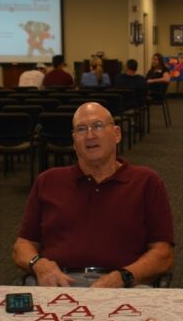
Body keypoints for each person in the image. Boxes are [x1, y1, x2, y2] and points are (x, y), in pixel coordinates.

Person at [13, 102, 174, 287]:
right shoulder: (48, 181)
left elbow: (163, 254)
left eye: (98, 126)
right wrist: (39, 265)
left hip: (125, 286)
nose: (90, 135)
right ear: (74, 141)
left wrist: (123, 277)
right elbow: (22, 245)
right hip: (58, 284)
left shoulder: (147, 182)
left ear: (117, 134)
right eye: (81, 129)